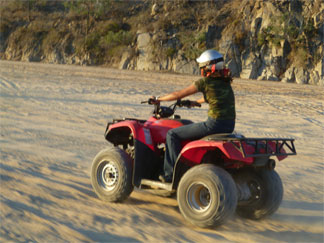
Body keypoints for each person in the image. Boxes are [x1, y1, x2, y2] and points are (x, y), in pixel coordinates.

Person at [153, 49, 236, 183]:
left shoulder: (204, 82)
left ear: (207, 68)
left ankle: (170, 175)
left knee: (172, 135)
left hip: (213, 125)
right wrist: (195, 103)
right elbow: (215, 97)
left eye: (202, 67)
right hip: (229, 125)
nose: (201, 70)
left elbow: (178, 94)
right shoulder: (225, 81)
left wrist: (158, 99)